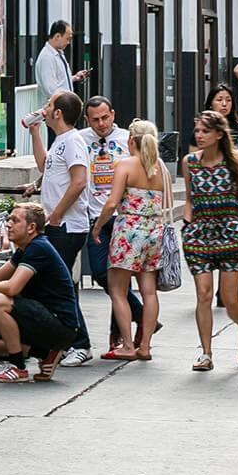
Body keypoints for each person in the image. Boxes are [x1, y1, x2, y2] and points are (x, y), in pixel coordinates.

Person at [0, 203, 83, 383]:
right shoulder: (25, 249)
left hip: (60, 324)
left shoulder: (38, 248)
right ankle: (44, 353)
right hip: (39, 320)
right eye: (9, 220)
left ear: (31, 227)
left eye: (15, 220)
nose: (8, 224)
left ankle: (17, 366)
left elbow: (13, 288)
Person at [22, 91, 97, 366]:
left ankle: (80, 343)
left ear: (58, 113)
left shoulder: (74, 141)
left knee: (60, 285)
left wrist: (56, 214)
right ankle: (66, 342)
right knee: (56, 283)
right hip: (57, 224)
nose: (45, 108)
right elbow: (45, 166)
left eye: (49, 105)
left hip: (66, 226)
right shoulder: (60, 142)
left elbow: (79, 182)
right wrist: (35, 135)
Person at [181, 109, 238, 371]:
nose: (199, 136)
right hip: (199, 233)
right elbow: (189, 197)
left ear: (219, 135)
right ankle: (206, 352)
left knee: (229, 297)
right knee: (203, 293)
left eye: (205, 131)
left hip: (230, 233)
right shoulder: (189, 162)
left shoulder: (235, 159)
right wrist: (187, 225)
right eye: (198, 131)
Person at [91, 120, 166, 361]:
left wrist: (98, 227)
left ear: (130, 141)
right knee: (149, 291)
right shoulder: (160, 167)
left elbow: (112, 203)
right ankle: (145, 346)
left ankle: (126, 345)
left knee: (118, 290)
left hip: (129, 230)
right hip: (154, 230)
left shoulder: (125, 164)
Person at [34, 19, 89, 102]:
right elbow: (51, 90)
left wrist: (74, 78)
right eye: (68, 39)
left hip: (62, 106)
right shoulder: (47, 57)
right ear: (57, 36)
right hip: (57, 108)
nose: (68, 43)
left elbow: (59, 82)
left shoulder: (58, 54)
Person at [206, 83, 238, 167]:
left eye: (228, 100)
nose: (224, 104)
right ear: (210, 104)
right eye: (219, 100)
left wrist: (235, 158)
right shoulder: (203, 127)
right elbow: (194, 158)